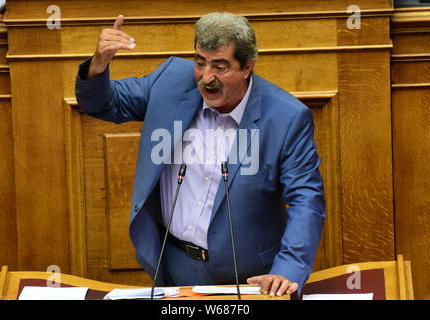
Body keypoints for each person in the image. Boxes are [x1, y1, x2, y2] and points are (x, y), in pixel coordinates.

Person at [75, 12, 325, 297]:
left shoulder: (286, 117)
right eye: (200, 63)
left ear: (247, 67)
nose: (207, 78)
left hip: (250, 278)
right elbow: (102, 103)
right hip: (174, 266)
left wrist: (288, 268)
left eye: (220, 67)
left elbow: (306, 199)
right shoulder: (170, 80)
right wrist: (98, 64)